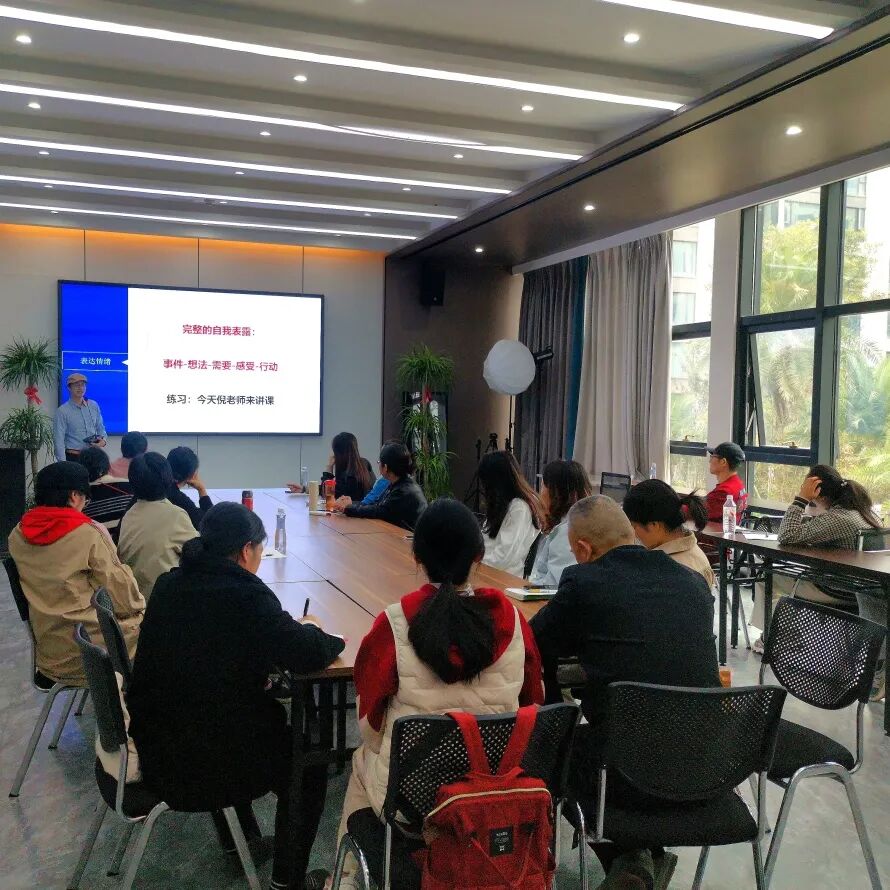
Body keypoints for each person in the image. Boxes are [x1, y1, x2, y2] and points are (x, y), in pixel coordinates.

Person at [127, 502, 345, 889]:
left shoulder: (169, 583)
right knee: (310, 762)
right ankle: (288, 883)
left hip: (156, 747)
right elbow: (306, 652)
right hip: (200, 764)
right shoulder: (245, 595)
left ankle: (240, 842)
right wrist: (319, 631)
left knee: (224, 713)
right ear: (246, 550)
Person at [334, 498, 544, 889]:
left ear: (416, 556)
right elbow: (533, 703)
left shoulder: (394, 623)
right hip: (491, 788)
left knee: (361, 762)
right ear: (478, 556)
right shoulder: (514, 621)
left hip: (411, 802)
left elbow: (370, 726)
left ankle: (345, 879)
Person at [530, 495, 719, 890]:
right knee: (640, 730)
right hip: (709, 766)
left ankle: (629, 857)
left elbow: (536, 641)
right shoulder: (692, 583)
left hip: (624, 773)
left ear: (584, 549)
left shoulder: (584, 582)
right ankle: (642, 858)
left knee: (551, 747)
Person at [7, 461, 144, 686]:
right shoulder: (88, 534)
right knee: (153, 627)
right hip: (90, 652)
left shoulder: (17, 535)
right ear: (73, 496)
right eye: (85, 499)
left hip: (49, 655)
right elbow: (123, 597)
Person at [764, 465, 884, 699]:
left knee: (767, 577)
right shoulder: (863, 513)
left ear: (816, 490)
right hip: (862, 589)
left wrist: (801, 499)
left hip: (837, 588)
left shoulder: (838, 519)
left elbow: (786, 536)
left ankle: (773, 638)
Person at [117, 452, 198, 600]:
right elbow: (202, 554)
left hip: (133, 599)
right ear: (168, 479)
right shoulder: (175, 515)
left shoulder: (129, 514)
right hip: (164, 601)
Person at [623, 479, 715, 587]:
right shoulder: (694, 554)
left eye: (634, 526)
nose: (634, 534)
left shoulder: (665, 570)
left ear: (654, 525)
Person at [478, 450, 543, 576]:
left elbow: (503, 557)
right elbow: (486, 542)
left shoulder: (520, 508)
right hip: (488, 571)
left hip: (503, 578)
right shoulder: (503, 506)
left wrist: (473, 564)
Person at [527, 459, 592, 588]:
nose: (540, 493)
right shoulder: (570, 523)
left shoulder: (567, 532)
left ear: (555, 492)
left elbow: (554, 585)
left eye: (543, 486)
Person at [336, 442, 427, 530]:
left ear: (385, 467)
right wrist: (351, 504)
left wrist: (348, 507)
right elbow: (377, 505)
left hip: (410, 538)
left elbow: (379, 511)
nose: (378, 464)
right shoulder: (398, 483)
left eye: (379, 462)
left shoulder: (404, 491)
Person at [288, 432, 375, 503]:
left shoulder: (349, 475)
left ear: (338, 453)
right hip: (361, 513)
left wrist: (329, 468)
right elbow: (334, 489)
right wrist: (304, 489)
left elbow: (328, 493)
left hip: (352, 516)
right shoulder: (364, 463)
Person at [77, 445, 134, 541]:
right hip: (129, 542)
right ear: (107, 465)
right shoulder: (129, 485)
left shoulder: (79, 498)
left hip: (99, 545)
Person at [53, 372, 107, 461]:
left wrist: (103, 441)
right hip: (73, 457)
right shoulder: (62, 411)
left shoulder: (93, 405)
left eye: (83, 385)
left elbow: (100, 428)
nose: (80, 388)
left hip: (92, 456)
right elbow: (58, 440)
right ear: (69, 388)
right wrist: (63, 463)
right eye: (76, 385)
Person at [167, 445, 213, 531]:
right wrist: (202, 490)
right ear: (192, 475)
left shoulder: (155, 486)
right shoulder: (180, 499)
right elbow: (208, 523)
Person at [705, 442, 748, 523]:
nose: (710, 461)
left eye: (712, 456)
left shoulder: (724, 492)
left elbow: (693, 512)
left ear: (723, 462)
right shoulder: (738, 485)